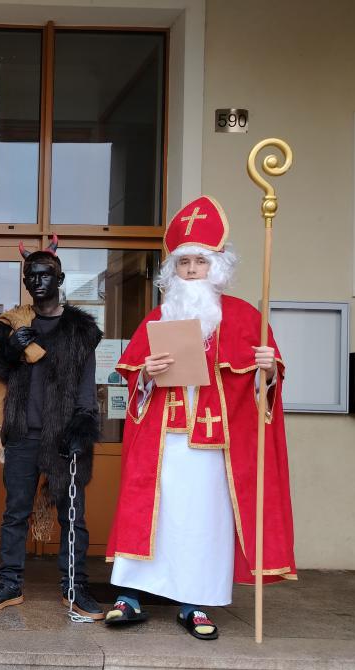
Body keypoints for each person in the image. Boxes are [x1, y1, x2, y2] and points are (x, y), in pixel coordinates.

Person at [105, 195, 297, 639]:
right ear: (173, 271)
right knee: (151, 515)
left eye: (200, 261)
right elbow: (133, 382)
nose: (192, 270)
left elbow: (265, 394)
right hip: (163, 441)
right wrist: (147, 374)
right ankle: (130, 597)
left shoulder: (247, 318)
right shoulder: (159, 316)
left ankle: (195, 603)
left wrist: (268, 369)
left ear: (218, 267)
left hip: (215, 447)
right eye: (184, 263)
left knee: (202, 525)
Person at [0, 236, 104, 618]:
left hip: (65, 436)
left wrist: (81, 432)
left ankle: (74, 587)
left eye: (45, 274)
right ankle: (9, 584)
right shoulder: (13, 325)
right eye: (31, 275)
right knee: (15, 513)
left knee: (72, 516)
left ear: (59, 278)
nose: (38, 281)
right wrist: (11, 349)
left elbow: (86, 388)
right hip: (22, 434)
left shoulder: (80, 329)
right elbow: (0, 374)